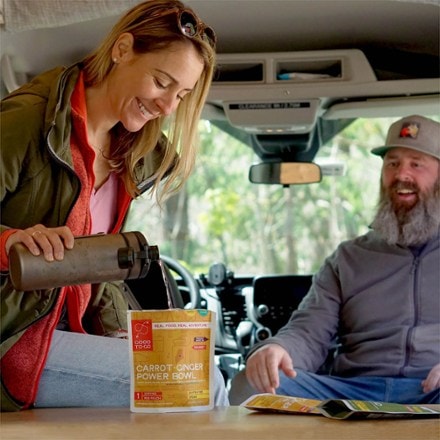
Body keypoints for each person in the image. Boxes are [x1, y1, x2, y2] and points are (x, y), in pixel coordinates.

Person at [0, 0, 229, 411]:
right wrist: (14, 241)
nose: (168, 107)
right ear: (122, 49)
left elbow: (94, 270)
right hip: (15, 338)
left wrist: (119, 332)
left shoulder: (132, 151)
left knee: (192, 361)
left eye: (181, 95)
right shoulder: (27, 119)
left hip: (70, 334)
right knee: (193, 380)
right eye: (162, 82)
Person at [229, 114, 440, 405]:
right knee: (253, 385)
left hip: (433, 390)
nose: (402, 175)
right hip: (353, 391)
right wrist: (277, 348)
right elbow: (308, 332)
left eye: (416, 164)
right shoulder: (348, 259)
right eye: (392, 163)